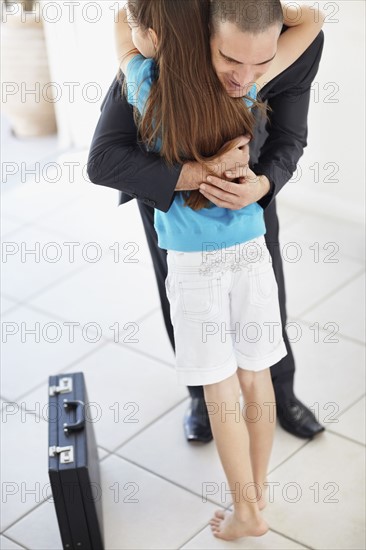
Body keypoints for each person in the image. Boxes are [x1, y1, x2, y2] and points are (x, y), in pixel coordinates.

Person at [88, 0, 325, 541]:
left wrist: (149, 38)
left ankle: (246, 514)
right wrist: (267, 12)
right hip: (251, 252)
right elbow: (311, 20)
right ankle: (258, 495)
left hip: (194, 269)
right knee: (256, 378)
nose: (244, 72)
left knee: (220, 392)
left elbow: (124, 32)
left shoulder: (147, 79)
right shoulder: (253, 84)